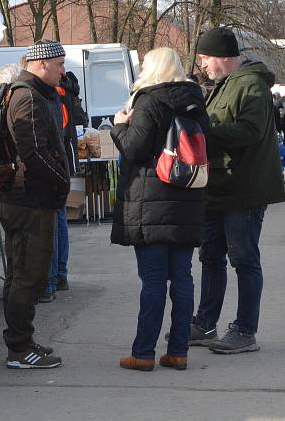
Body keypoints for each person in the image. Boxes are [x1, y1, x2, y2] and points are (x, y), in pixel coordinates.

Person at [110, 47, 209, 372]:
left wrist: (119, 127)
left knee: (152, 281)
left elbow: (135, 149)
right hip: (187, 196)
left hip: (150, 201)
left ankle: (143, 353)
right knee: (182, 278)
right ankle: (178, 351)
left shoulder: (148, 101)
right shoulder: (195, 101)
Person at [191, 26, 285, 354]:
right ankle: (205, 323)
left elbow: (249, 130)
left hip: (244, 188)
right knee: (210, 256)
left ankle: (245, 330)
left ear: (222, 57)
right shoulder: (225, 85)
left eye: (205, 58)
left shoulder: (250, 85)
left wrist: (206, 131)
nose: (202, 64)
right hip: (220, 185)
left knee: (243, 259)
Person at [0, 40, 70, 369]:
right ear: (41, 64)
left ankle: (21, 341)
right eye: (59, 65)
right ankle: (19, 349)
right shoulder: (27, 96)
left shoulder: (29, 93)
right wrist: (62, 178)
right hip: (28, 200)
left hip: (25, 198)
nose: (62, 71)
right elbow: (34, 152)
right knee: (27, 276)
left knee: (21, 275)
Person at [41, 71, 87, 301]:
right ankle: (59, 275)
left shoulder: (54, 95)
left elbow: (58, 130)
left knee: (54, 220)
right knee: (59, 220)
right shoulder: (66, 92)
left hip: (56, 163)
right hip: (64, 160)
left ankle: (52, 279)